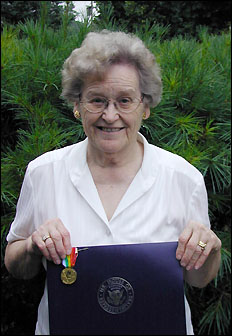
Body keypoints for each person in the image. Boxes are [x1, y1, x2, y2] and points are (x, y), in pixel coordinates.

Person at [4, 30, 221, 335]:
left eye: (124, 101)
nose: (110, 115)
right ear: (77, 105)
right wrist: (31, 247)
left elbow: (199, 279)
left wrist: (208, 250)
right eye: (97, 100)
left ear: (145, 106)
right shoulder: (44, 173)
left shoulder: (183, 178)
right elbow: (15, 263)